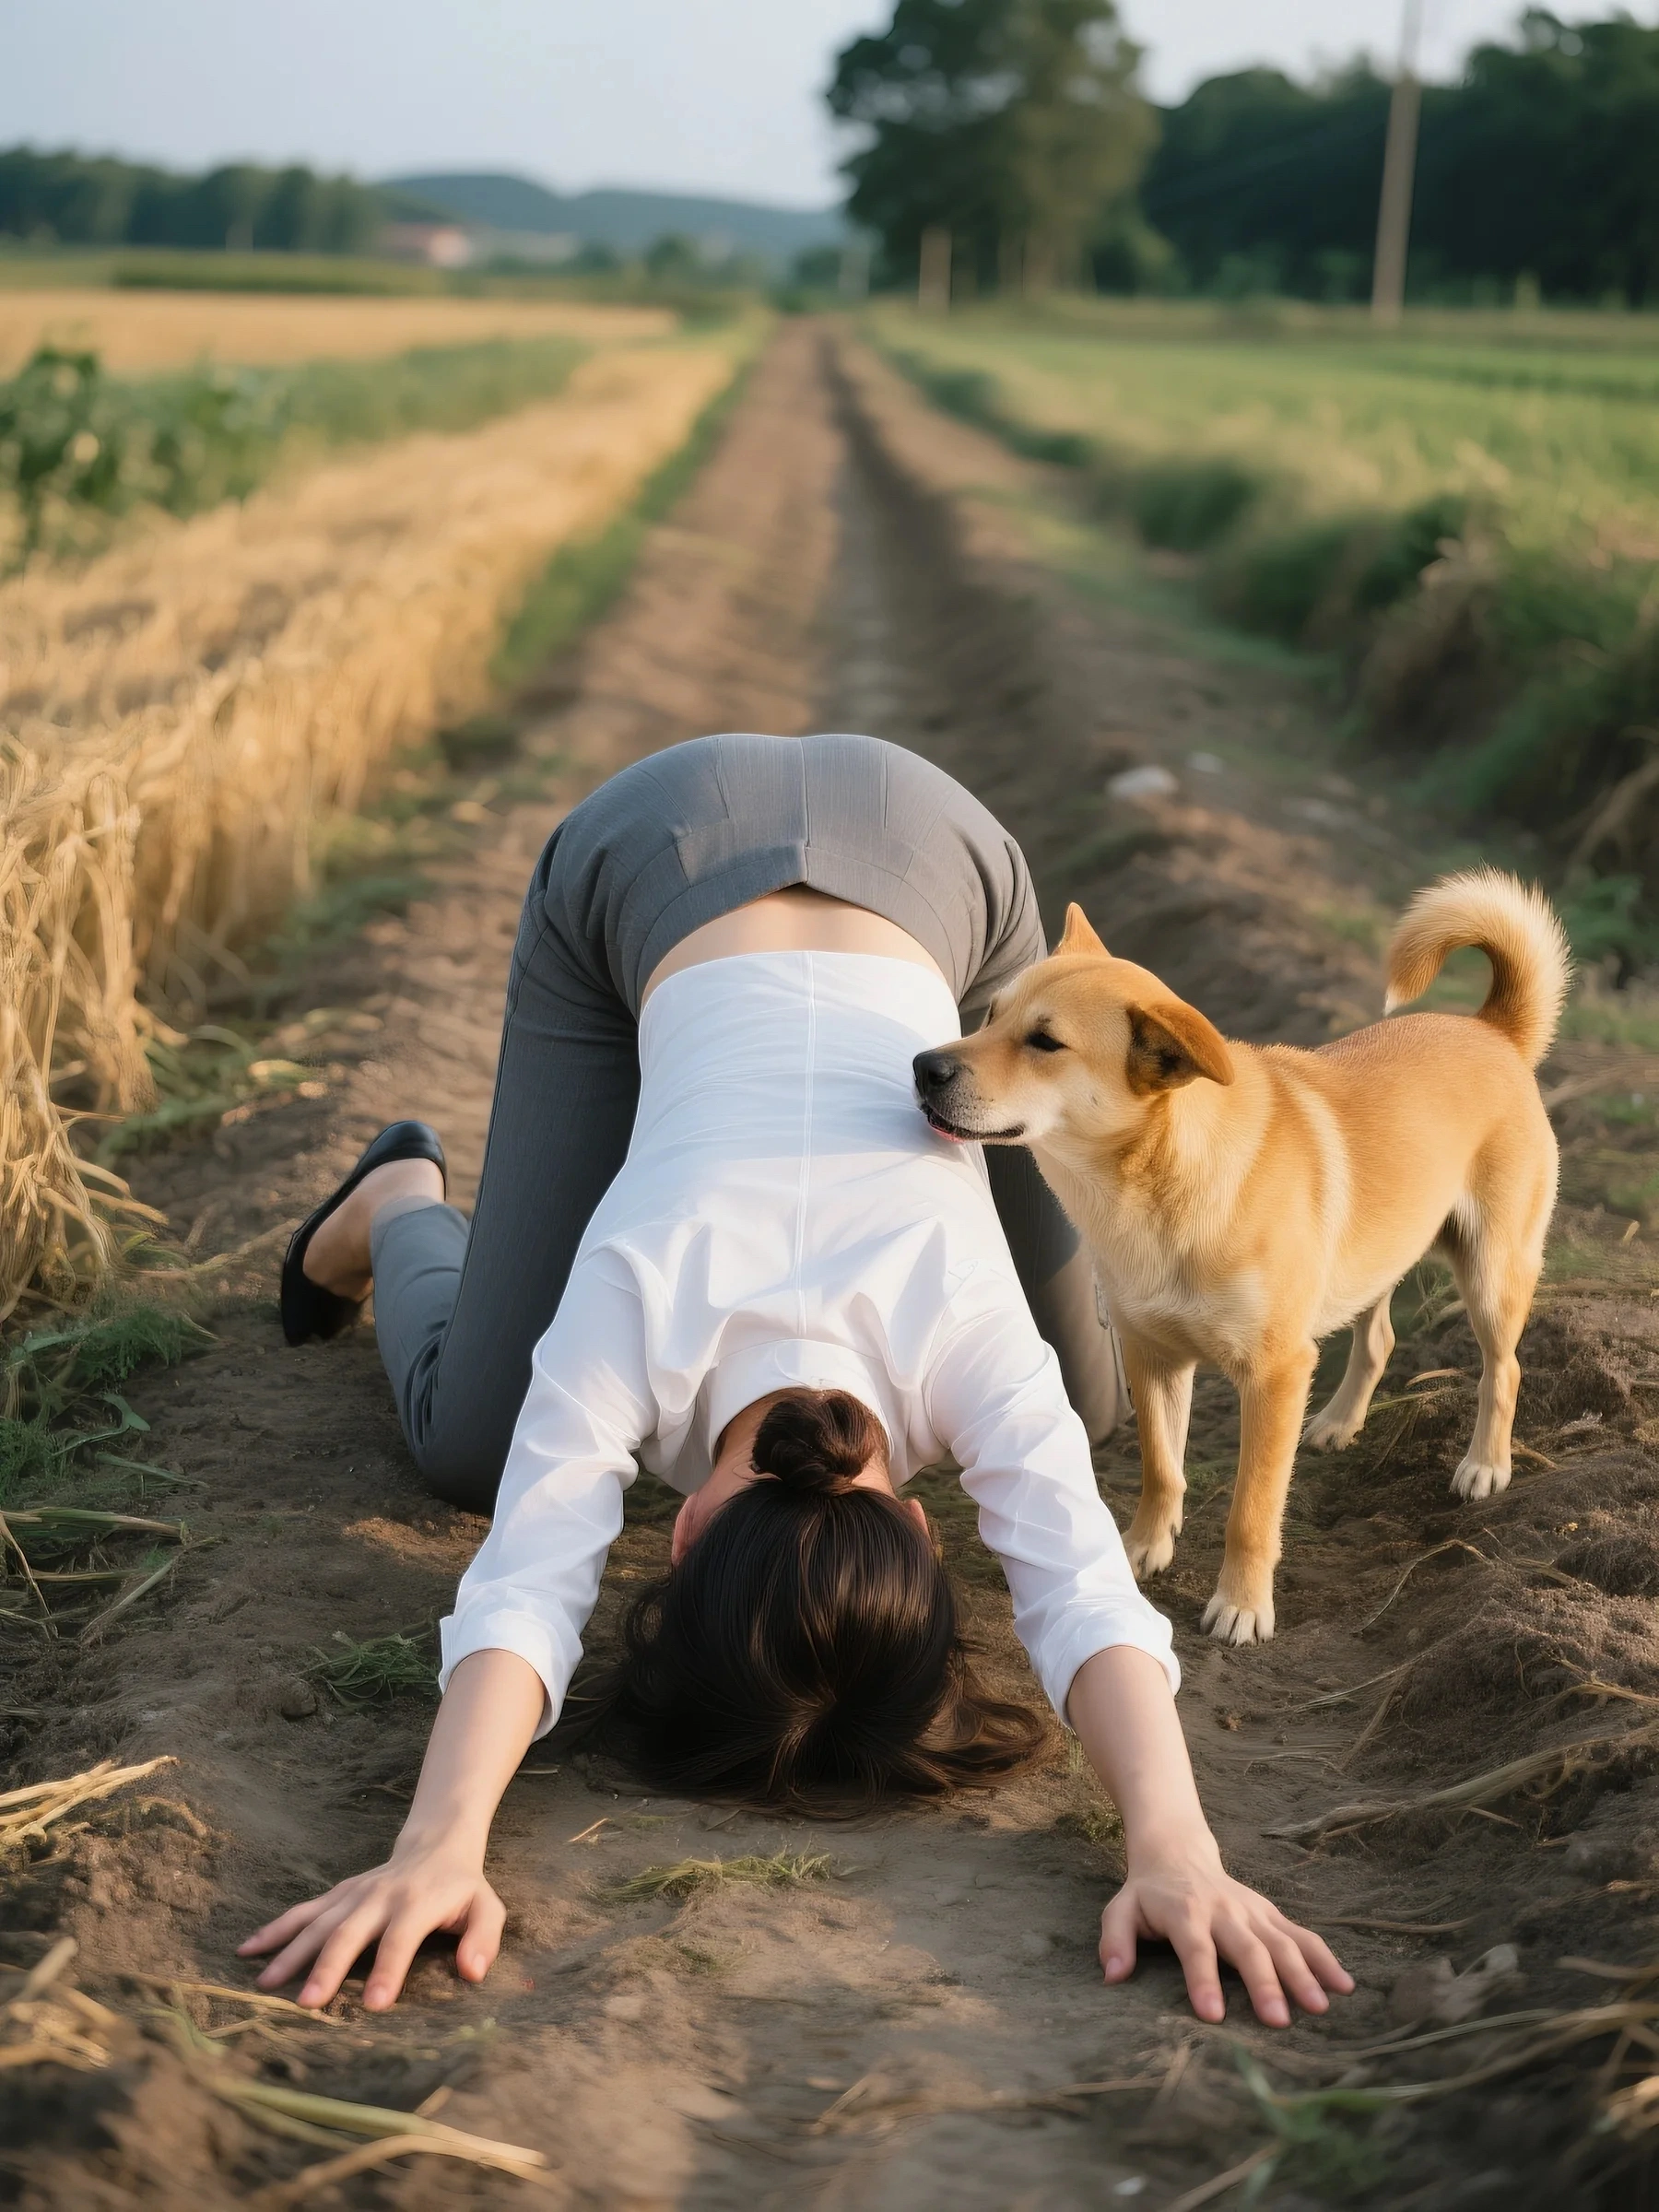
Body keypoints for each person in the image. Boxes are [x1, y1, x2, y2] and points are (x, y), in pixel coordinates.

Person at [240, 732, 1351, 2029]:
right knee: (500, 1444)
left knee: (474, 1441)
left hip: (809, 835)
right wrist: (439, 1846)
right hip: (822, 849)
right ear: (678, 1544)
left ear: (925, 1536)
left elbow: (1082, 1596)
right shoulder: (651, 1311)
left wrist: (1182, 1856)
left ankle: (396, 1203)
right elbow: (524, 1592)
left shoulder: (950, 1345)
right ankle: (399, 1204)